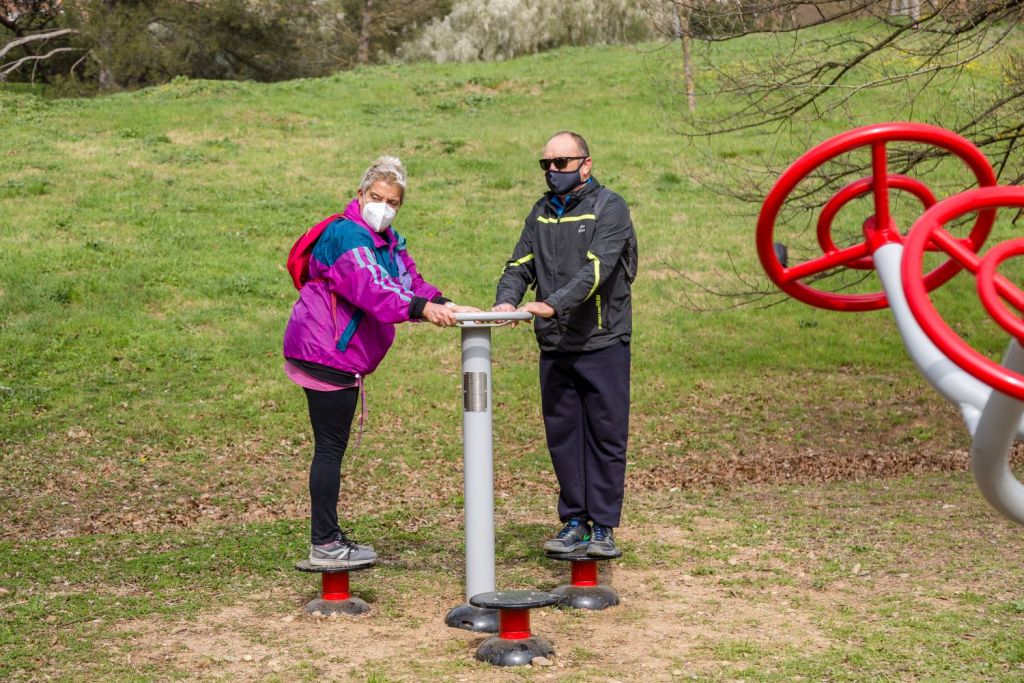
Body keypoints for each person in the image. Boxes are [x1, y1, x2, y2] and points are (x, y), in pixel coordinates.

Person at [283, 155, 475, 567]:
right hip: (325, 350)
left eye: (393, 202)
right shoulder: (346, 236)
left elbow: (408, 282)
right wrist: (421, 309)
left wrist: (442, 302)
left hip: (337, 352)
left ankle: (329, 537)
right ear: (360, 194)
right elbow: (372, 288)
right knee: (330, 447)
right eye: (376, 197)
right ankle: (325, 542)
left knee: (333, 446)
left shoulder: (388, 241)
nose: (383, 207)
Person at [493, 131, 637, 558]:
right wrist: (506, 300)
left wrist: (552, 305)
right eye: (547, 165)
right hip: (555, 345)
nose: (553, 172)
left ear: (585, 164)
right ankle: (574, 520)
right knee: (563, 436)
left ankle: (604, 527)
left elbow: (597, 270)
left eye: (561, 163)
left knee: (605, 436)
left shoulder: (610, 208)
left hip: (602, 340)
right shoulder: (540, 213)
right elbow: (520, 263)